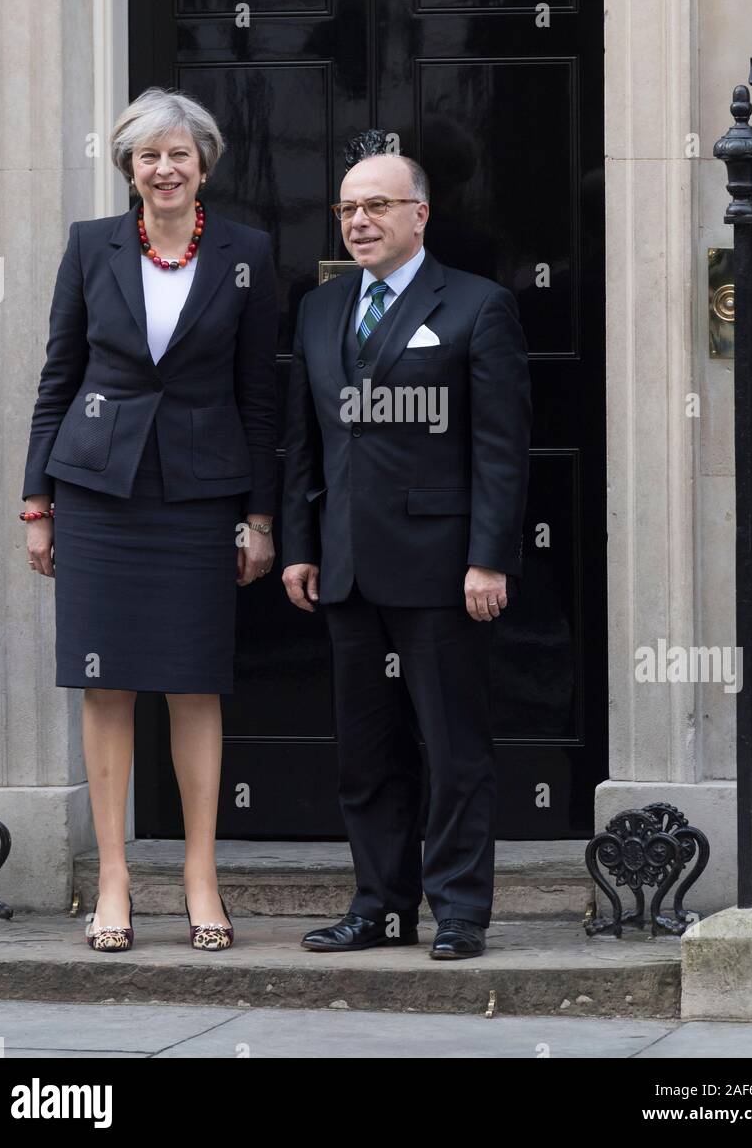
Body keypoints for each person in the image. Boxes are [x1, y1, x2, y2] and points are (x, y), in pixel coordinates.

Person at [21, 87, 277, 952]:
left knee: (194, 677)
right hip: (98, 490)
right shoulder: (91, 246)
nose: (163, 169)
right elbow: (58, 377)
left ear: (203, 163)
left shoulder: (248, 252)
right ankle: (115, 878)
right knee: (108, 683)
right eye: (146, 156)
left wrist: (259, 515)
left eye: (178, 154)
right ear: (128, 167)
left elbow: (260, 395)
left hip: (200, 492)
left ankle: (201, 875)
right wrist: (37, 506)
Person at [281, 146, 531, 959]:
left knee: (455, 749)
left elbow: (501, 448)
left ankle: (459, 913)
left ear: (418, 214)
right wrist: (298, 546)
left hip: (443, 568)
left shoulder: (476, 305)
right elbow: (304, 444)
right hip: (346, 568)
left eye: (377, 206)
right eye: (348, 209)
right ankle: (380, 907)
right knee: (366, 754)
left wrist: (489, 558)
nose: (359, 221)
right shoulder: (318, 311)